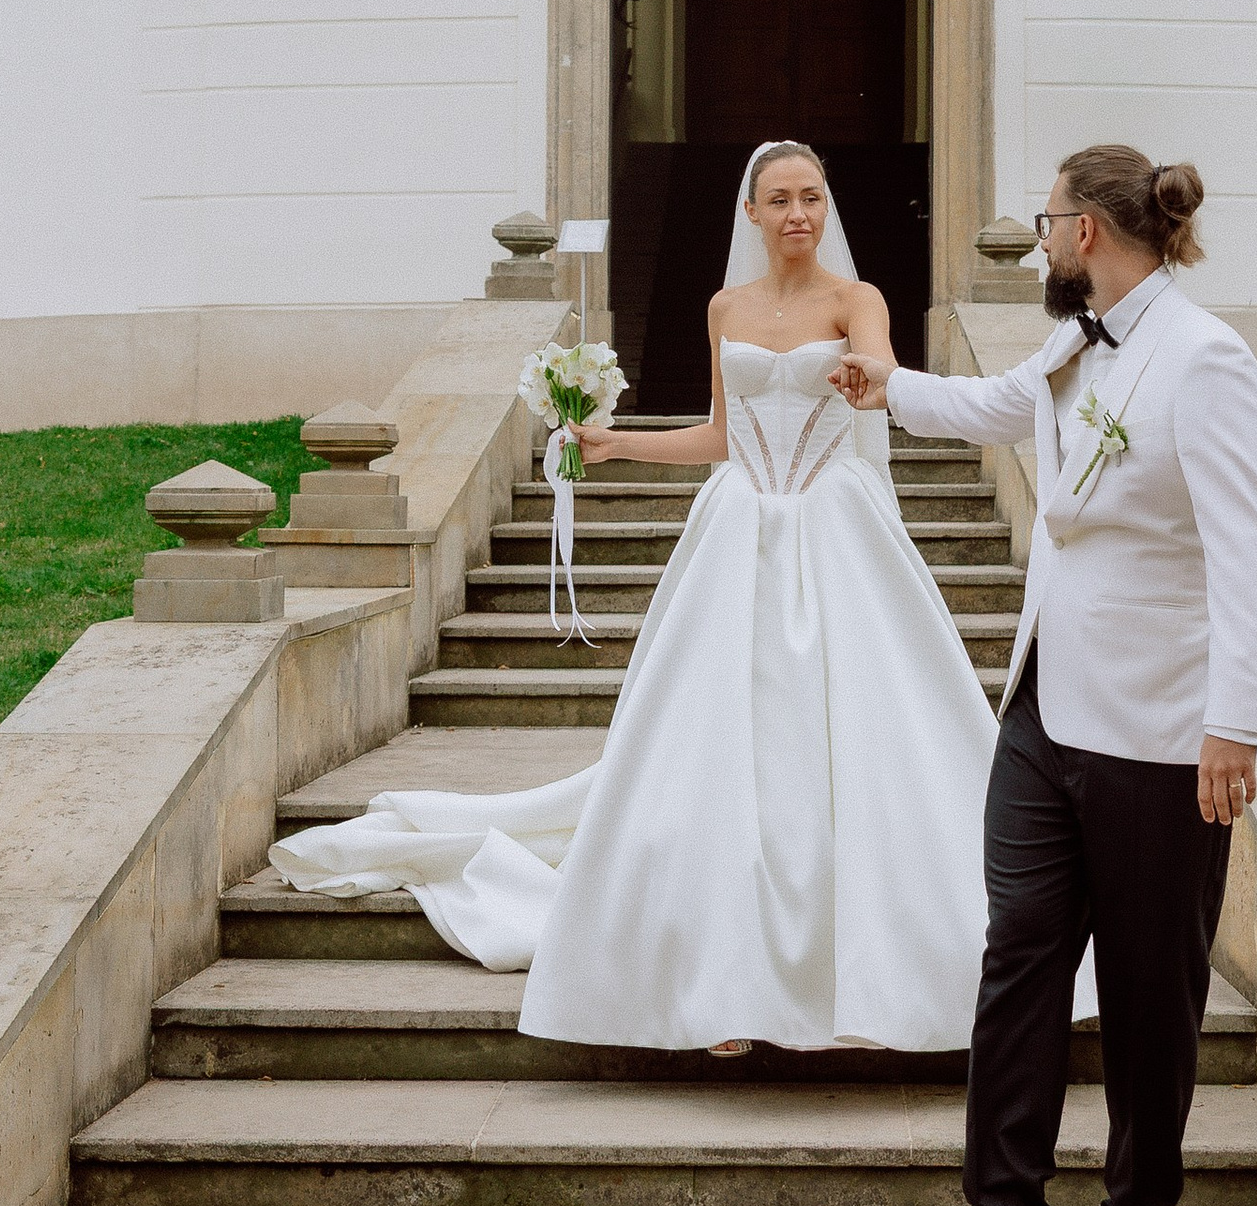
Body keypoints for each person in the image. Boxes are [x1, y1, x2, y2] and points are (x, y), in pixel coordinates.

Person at [268, 139, 1001, 1055]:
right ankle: (719, 980)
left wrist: (869, 381)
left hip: (833, 523)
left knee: (854, 736)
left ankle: (870, 975)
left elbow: (880, 379)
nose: (798, 215)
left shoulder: (858, 302)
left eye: (812, 196)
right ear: (752, 213)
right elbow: (726, 436)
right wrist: (616, 446)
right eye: (779, 199)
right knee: (720, 744)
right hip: (739, 530)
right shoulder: (725, 306)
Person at [834, 139, 1257, 1206]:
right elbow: (997, 407)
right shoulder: (1073, 341)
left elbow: (1246, 554)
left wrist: (1236, 725)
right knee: (1018, 966)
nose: (1040, 243)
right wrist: (886, 386)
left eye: (1044, 223)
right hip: (1042, 715)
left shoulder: (1208, 360)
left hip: (1160, 732)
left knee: (1149, 996)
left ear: (1087, 231)